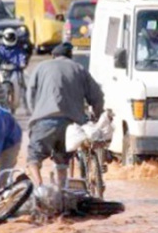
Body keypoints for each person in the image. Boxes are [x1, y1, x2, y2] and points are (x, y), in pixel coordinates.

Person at [26, 43, 104, 189]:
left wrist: (35, 114)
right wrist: (98, 116)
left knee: (33, 158)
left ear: (53, 56)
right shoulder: (79, 69)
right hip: (71, 125)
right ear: (70, 56)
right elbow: (97, 96)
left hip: (44, 121)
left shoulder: (41, 67)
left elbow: (30, 94)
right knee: (63, 160)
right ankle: (62, 189)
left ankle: (40, 188)